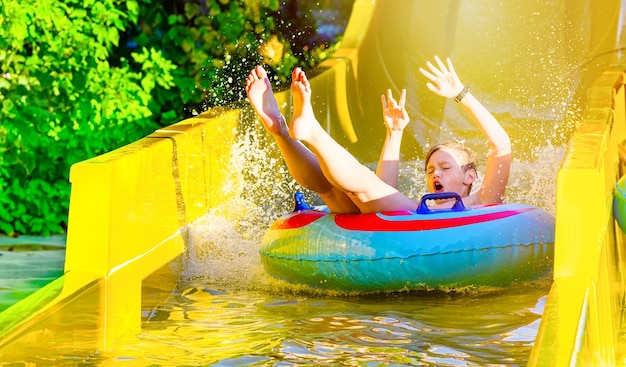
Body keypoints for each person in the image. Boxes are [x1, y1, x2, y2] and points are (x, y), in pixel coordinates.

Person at [244, 56, 511, 213]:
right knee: (331, 191)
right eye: (430, 170)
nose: (435, 174)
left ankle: (308, 130)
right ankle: (280, 129)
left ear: (470, 176)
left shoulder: (485, 201)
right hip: (399, 218)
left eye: (444, 167)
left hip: (414, 220)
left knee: (362, 189)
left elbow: (501, 146)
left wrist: (461, 95)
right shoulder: (422, 206)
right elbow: (386, 190)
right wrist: (394, 134)